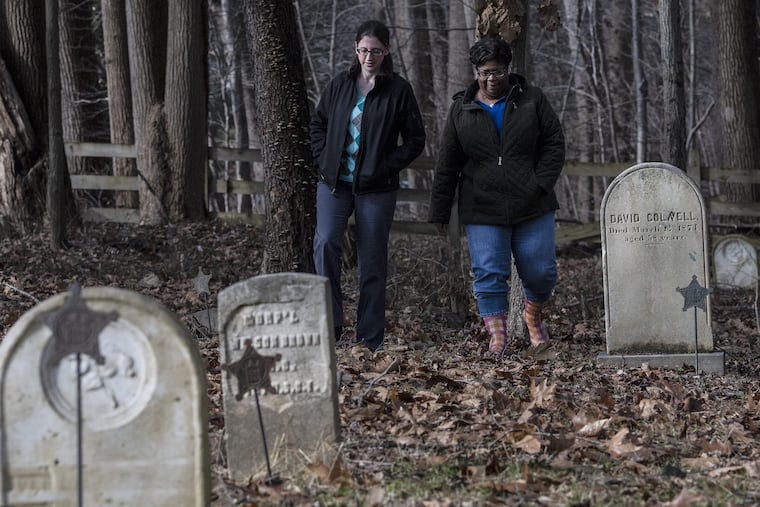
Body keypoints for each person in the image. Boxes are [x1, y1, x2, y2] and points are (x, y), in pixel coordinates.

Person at [428, 37, 565, 356]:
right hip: (482, 206)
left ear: (508, 69)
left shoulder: (532, 99)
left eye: (498, 71)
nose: (492, 79)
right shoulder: (462, 108)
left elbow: (554, 143)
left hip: (532, 203)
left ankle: (531, 315)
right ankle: (498, 338)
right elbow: (448, 161)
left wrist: (540, 184)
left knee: (541, 271)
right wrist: (439, 210)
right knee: (489, 272)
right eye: (485, 72)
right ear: (475, 71)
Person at [310, 20, 426, 352]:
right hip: (335, 184)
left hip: (377, 188)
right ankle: (330, 325)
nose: (369, 56)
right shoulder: (340, 85)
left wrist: (385, 165)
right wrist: (324, 158)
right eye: (363, 50)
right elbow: (317, 124)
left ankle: (368, 339)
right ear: (355, 50)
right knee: (325, 244)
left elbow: (415, 139)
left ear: (386, 51)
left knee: (372, 260)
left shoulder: (398, 90)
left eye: (375, 50)